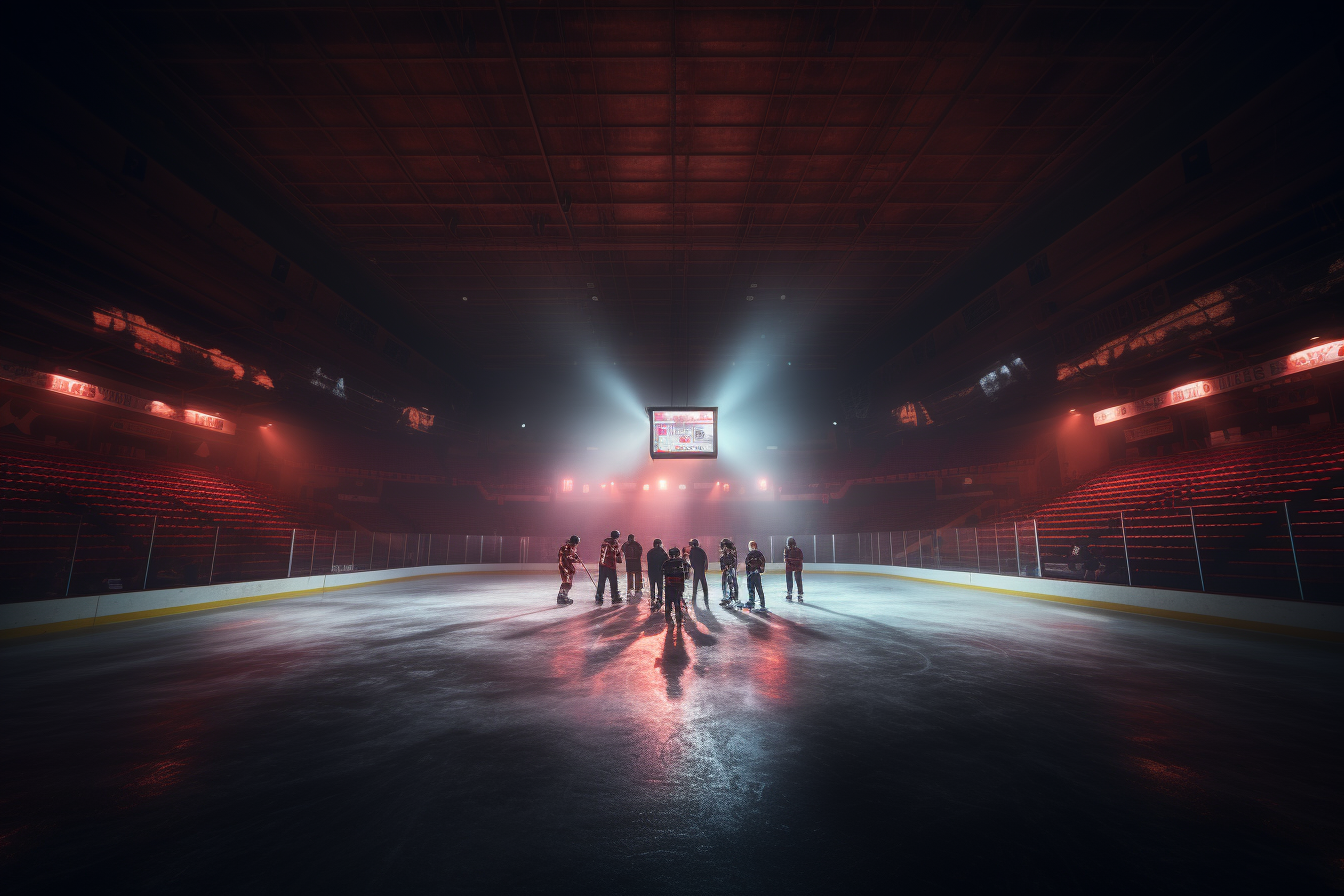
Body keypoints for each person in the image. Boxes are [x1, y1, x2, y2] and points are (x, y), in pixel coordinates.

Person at [662, 546, 690, 626]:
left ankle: (668, 618)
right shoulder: (682, 562)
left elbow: (663, 572)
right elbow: (688, 571)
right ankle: (678, 619)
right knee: (677, 601)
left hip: (669, 585)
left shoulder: (666, 563)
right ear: (678, 554)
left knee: (668, 602)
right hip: (679, 585)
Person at [597, 529, 623, 604]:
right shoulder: (614, 543)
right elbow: (617, 553)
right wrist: (619, 559)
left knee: (601, 581)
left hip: (602, 565)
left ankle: (599, 596)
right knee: (613, 581)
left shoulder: (604, 542)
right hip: (610, 565)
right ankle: (615, 596)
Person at [645, 538, 668, 612]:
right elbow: (666, 562)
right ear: (660, 544)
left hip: (651, 572)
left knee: (652, 586)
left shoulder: (650, 552)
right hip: (659, 572)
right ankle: (660, 599)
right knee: (660, 587)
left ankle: (652, 600)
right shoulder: (662, 552)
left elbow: (648, 561)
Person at [556, 535, 580, 604]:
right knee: (566, 583)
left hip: (568, 567)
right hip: (565, 567)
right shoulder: (566, 548)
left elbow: (570, 556)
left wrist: (575, 556)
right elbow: (567, 558)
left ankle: (564, 596)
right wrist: (575, 559)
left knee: (568, 583)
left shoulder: (570, 548)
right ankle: (561, 597)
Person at [744, 540, 766, 609]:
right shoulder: (759, 554)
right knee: (758, 588)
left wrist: (751, 570)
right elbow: (763, 562)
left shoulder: (751, 554)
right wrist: (760, 570)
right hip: (755, 574)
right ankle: (762, 602)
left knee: (751, 588)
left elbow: (747, 562)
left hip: (751, 574)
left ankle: (752, 601)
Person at [718, 538, 739, 606]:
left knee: (731, 584)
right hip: (726, 571)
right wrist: (724, 567)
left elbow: (734, 563)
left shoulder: (732, 554)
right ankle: (727, 597)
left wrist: (729, 567)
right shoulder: (723, 555)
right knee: (725, 584)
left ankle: (732, 597)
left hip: (730, 571)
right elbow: (722, 563)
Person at [688, 538, 709, 605]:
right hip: (701, 569)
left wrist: (693, 567)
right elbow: (705, 559)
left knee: (695, 584)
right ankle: (706, 596)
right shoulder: (701, 550)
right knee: (703, 583)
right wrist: (705, 567)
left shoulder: (692, 551)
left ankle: (694, 598)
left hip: (697, 569)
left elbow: (692, 560)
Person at [784, 536, 804, 601]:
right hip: (797, 566)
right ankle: (800, 593)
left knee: (790, 579)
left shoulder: (786, 550)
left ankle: (790, 592)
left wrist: (791, 564)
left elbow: (785, 559)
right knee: (798, 579)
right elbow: (801, 558)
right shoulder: (798, 550)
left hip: (790, 566)